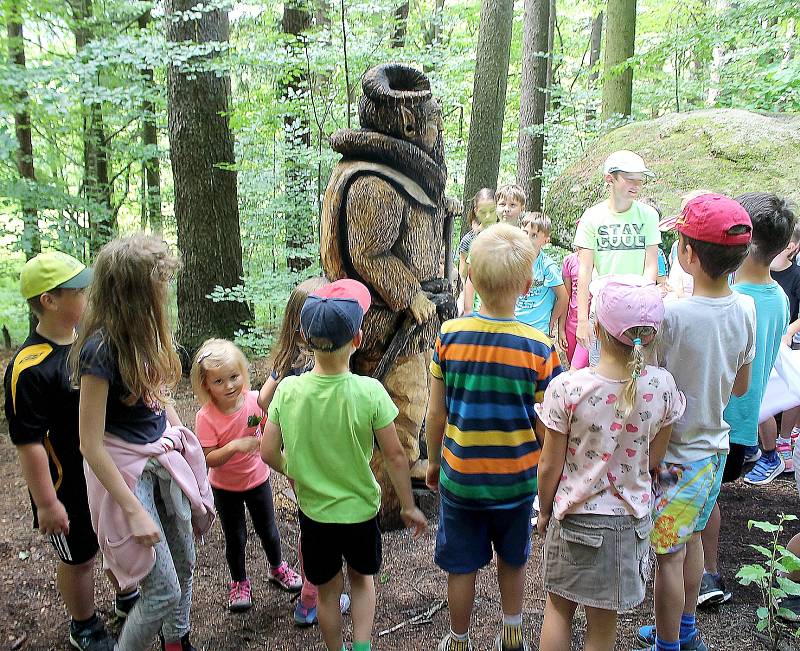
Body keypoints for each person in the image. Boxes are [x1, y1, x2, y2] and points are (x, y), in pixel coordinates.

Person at [261, 279, 427, 651]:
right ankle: (362, 647)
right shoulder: (369, 392)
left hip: (315, 514)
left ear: (303, 336)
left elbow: (268, 452)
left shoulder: (288, 391)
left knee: (326, 594)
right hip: (360, 514)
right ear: (358, 339)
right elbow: (396, 455)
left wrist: (294, 469)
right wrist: (408, 506)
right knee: (362, 581)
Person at [73, 234, 215, 651]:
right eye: (160, 282)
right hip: (124, 472)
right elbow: (90, 443)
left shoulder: (146, 333)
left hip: (160, 458)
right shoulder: (99, 351)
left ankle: (177, 642)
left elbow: (158, 397)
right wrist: (134, 512)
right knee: (161, 591)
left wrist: (181, 444)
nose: (166, 291)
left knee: (186, 562)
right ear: (135, 292)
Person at [426, 224, 562, 651]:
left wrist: (433, 462)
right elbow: (548, 426)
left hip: (461, 476)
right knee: (513, 557)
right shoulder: (540, 348)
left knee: (461, 565)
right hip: (516, 481)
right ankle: (512, 630)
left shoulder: (449, 336)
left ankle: (459, 639)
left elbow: (436, 411)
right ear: (526, 286)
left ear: (471, 277)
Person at [635, 193, 756, 651]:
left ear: (686, 254)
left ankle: (667, 645)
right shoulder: (746, 308)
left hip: (673, 458)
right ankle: (685, 632)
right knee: (691, 545)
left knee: (667, 554)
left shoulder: (672, 315)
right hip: (713, 454)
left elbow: (648, 381)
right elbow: (741, 386)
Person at [537, 278, 685, 651]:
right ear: (650, 336)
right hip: (627, 525)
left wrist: (543, 513)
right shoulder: (663, 387)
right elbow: (655, 460)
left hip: (574, 519)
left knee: (558, 610)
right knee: (602, 625)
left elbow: (549, 466)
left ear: (597, 328)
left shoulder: (567, 388)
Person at [3, 251, 132, 651]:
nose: (89, 297)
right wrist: (46, 502)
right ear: (50, 300)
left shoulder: (90, 344)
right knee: (79, 557)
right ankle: (84, 623)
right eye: (79, 291)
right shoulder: (30, 367)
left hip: (100, 470)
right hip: (64, 485)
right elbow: (28, 442)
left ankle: (125, 594)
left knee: (110, 537)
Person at [693, 194, 795, 608]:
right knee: (709, 495)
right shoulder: (780, 299)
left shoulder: (735, 299)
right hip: (746, 424)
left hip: (719, 420)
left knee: (704, 500)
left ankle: (705, 575)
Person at [257, 277, 352, 626]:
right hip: (325, 459)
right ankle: (313, 597)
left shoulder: (287, 360)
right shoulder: (313, 362)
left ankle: (313, 592)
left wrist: (284, 432)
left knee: (309, 523)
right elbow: (266, 399)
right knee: (328, 527)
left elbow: (265, 398)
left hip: (301, 461)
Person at [190, 338, 301, 613]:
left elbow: (267, 426)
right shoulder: (206, 417)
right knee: (236, 536)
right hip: (225, 487)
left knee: (268, 530)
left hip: (258, 480)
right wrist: (235, 446)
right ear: (206, 385)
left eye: (234, 377)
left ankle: (278, 567)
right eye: (219, 382)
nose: (229, 386)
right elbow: (209, 457)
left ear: (243, 374)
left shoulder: (253, 401)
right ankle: (239, 582)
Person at [574, 151, 661, 360]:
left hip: (639, 311)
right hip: (603, 307)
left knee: (639, 372)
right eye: (630, 179)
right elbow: (584, 270)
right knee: (602, 370)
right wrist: (582, 320)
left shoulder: (648, 215)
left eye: (640, 181)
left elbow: (651, 264)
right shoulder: (592, 217)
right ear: (610, 179)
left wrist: (642, 301)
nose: (636, 186)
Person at [762, 222, 800, 472]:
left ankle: (785, 439)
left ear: (791, 247)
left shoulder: (796, 276)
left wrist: (790, 331)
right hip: (767, 343)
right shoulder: (760, 273)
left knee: (793, 387)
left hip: (790, 343)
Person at [516, 212, 568, 339]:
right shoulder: (514, 261)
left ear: (545, 241)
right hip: (514, 325)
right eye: (525, 233)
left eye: (534, 235)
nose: (527, 238)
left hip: (538, 329)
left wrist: (551, 322)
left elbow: (563, 297)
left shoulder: (547, 267)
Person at [461, 190, 500, 315]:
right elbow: (464, 276)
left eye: (492, 211)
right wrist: (467, 309)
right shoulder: (469, 240)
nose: (488, 216)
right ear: (476, 211)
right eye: (483, 212)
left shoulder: (507, 234)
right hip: (479, 308)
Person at [559, 249, 590, 368]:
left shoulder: (601, 262)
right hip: (572, 326)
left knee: (580, 370)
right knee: (573, 367)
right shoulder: (569, 261)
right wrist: (561, 329)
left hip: (593, 327)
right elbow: (566, 298)